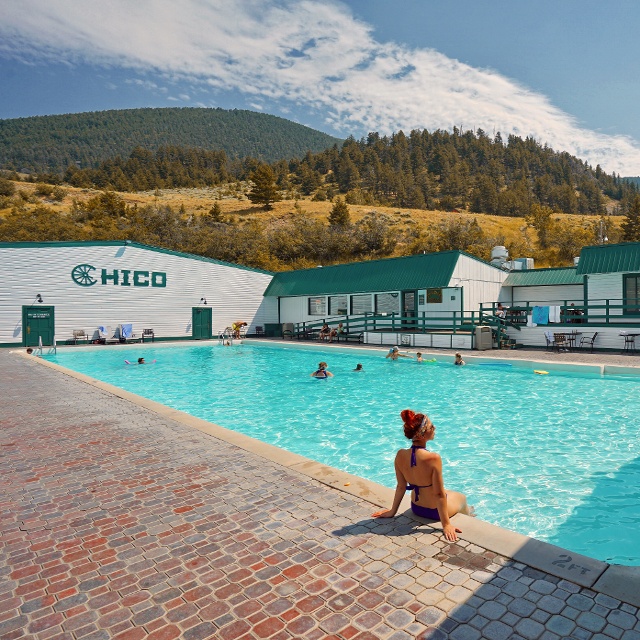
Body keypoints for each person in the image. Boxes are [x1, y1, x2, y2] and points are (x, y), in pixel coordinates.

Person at [372, 409, 470, 541]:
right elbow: (439, 494)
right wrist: (446, 525)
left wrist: (392, 512)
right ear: (422, 435)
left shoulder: (400, 454)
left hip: (416, 508)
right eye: (430, 426)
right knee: (462, 498)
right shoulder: (433, 458)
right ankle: (470, 516)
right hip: (435, 512)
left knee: (447, 491)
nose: (434, 428)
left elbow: (401, 486)